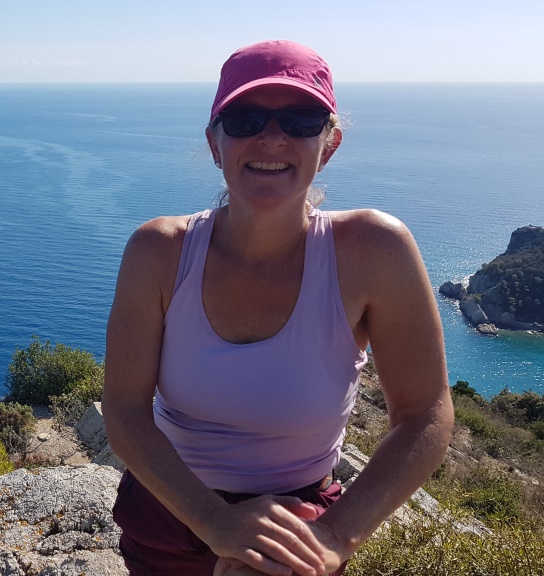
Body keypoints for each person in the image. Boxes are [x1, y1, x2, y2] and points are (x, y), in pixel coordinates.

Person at [102, 40, 454, 576]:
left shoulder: (374, 251)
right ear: (215, 143)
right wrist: (214, 521)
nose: (271, 137)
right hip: (171, 514)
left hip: (299, 528)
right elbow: (125, 409)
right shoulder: (159, 252)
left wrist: (335, 534)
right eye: (245, 119)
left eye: (300, 120)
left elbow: (425, 413)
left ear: (329, 145)